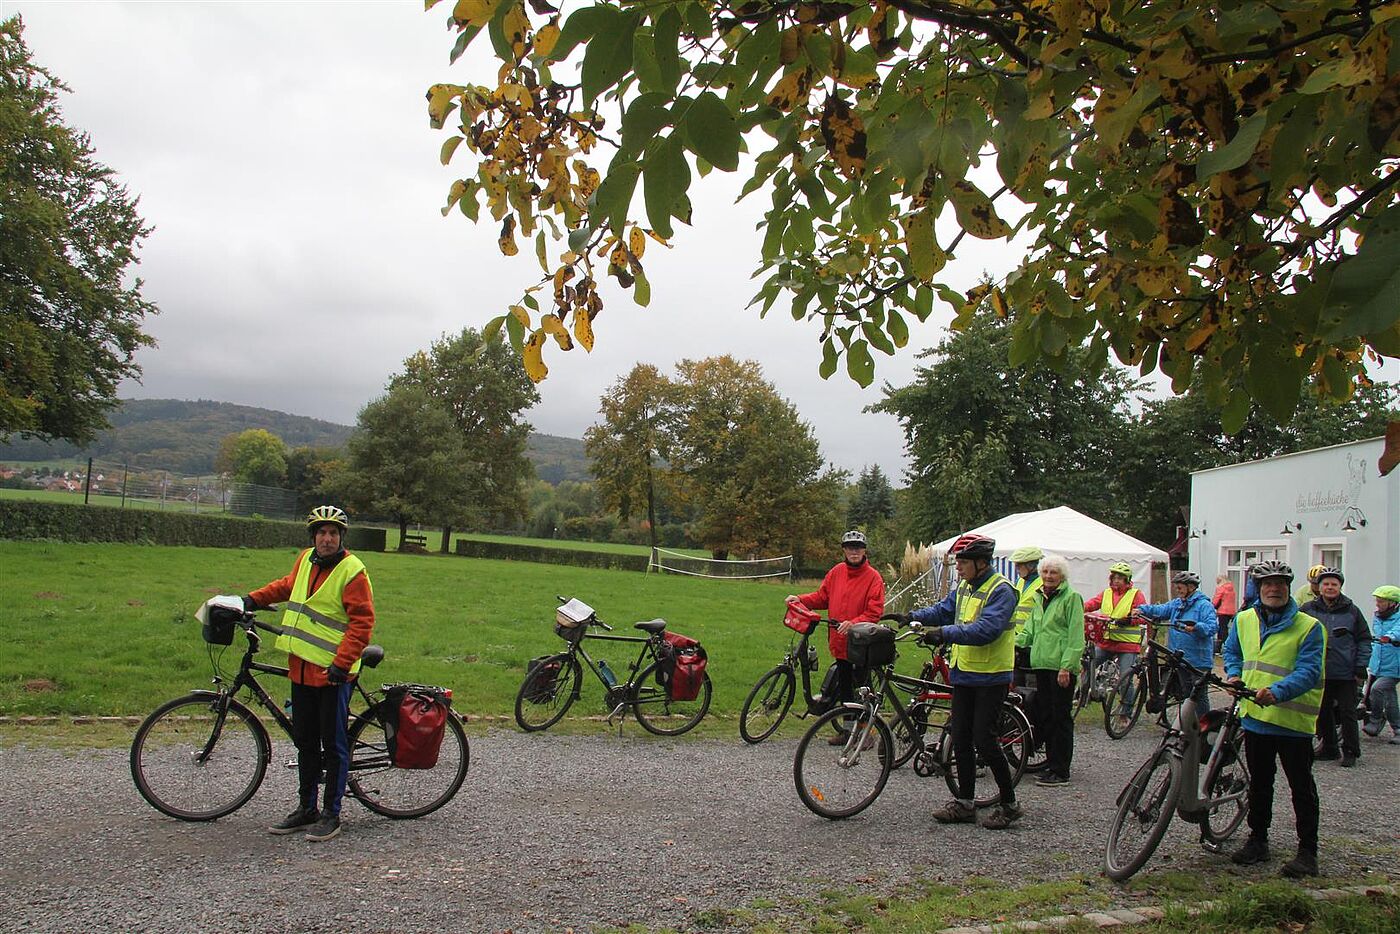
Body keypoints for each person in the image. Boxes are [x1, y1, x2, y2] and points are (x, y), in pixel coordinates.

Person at [244, 505, 375, 842]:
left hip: (333, 673)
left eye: (333, 533)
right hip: (302, 669)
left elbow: (362, 624)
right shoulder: (305, 560)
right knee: (304, 743)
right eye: (321, 533)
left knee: (333, 745)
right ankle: (307, 808)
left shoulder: (352, 571)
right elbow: (285, 587)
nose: (327, 539)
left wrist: (342, 664)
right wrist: (249, 600)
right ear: (313, 537)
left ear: (341, 537)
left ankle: (332, 814)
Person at [903, 533, 1021, 829]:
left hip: (992, 676)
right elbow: (945, 609)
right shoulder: (967, 586)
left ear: (981, 563)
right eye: (957, 563)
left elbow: (987, 630)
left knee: (985, 738)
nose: (958, 568)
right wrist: (911, 616)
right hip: (965, 672)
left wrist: (944, 633)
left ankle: (1009, 804)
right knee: (961, 738)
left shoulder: (1002, 590)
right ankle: (966, 803)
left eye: (963, 562)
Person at [1223, 561, 1325, 877]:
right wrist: (1234, 674)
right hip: (1255, 717)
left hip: (1292, 723)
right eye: (1267, 584)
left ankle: (1308, 851)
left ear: (1288, 587)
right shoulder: (1243, 620)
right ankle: (1258, 840)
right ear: (1258, 588)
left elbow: (1309, 671)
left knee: (1301, 787)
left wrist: (1278, 692)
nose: (1274, 589)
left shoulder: (1309, 627)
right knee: (1260, 784)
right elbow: (1232, 652)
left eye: (1280, 583)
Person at [787, 529, 885, 744]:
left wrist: (854, 624)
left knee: (862, 689)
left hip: (861, 645)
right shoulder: (837, 572)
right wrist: (800, 599)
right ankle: (848, 732)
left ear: (864, 551)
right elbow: (822, 597)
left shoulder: (873, 578)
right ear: (844, 550)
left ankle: (866, 732)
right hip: (840, 642)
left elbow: (874, 611)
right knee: (846, 690)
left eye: (858, 548)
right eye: (850, 547)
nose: (854, 552)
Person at [1015, 554, 1084, 786]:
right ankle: (1049, 763)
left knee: (1060, 718)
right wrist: (1012, 643)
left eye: (1053, 572)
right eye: (1045, 572)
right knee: (1044, 715)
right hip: (1041, 664)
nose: (1048, 576)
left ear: (1061, 575)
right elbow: (1031, 630)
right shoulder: (1039, 597)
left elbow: (1076, 635)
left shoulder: (1071, 598)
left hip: (1060, 667)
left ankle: (1060, 769)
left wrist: (1067, 666)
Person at [1301, 568, 1372, 767]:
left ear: (1340, 587)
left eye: (1334, 584)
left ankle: (1350, 750)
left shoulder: (1352, 610)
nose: (1330, 588)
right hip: (1318, 670)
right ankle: (1329, 747)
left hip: (1345, 670)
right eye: (1326, 584)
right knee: (1321, 710)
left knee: (1347, 712)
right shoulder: (1308, 609)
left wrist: (1361, 666)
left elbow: (1364, 639)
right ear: (1319, 587)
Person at [1136, 570, 1217, 715]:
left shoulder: (1204, 605)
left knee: (1199, 695)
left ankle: (1205, 727)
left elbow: (1212, 627)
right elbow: (1160, 610)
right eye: (1176, 587)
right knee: (1186, 693)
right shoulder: (1177, 604)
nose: (1177, 591)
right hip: (1179, 658)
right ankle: (1188, 725)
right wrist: (1141, 609)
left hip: (1198, 660)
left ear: (1190, 587)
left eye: (1180, 588)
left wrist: (1195, 627)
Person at [1083, 561, 1147, 728]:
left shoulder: (1136, 594)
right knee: (1087, 664)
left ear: (1127, 580)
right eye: (1114, 577)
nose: (1117, 581)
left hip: (1127, 645)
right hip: (1106, 641)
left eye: (1121, 578)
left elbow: (1143, 614)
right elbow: (1091, 604)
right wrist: (1078, 607)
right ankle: (1083, 696)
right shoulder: (1105, 593)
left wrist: (1130, 619)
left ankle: (1125, 713)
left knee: (1125, 678)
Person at [1362, 585, 1400, 744]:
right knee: (1389, 698)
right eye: (1377, 600)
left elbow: (1398, 631)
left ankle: (1376, 719)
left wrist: (1390, 637)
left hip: (1394, 665)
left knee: (1377, 689)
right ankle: (1397, 729)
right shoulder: (1378, 616)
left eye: (1381, 601)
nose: (1377, 604)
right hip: (1378, 664)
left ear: (1392, 603)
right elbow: (1374, 636)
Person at [1008, 545, 1043, 688]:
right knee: (1016, 682)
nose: (1016, 568)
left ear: (1031, 564)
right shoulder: (1020, 581)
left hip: (1033, 641)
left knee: (1031, 686)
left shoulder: (1042, 584)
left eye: (1019, 565)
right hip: (1017, 638)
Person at [1212, 574, 1238, 654]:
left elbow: (1216, 600)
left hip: (1223, 611)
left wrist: (1211, 607)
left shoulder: (1220, 588)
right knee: (1223, 628)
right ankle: (1218, 648)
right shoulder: (1232, 588)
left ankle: (1226, 647)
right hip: (1231, 611)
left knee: (1222, 629)